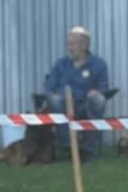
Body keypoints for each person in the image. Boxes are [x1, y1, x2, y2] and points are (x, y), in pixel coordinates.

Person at [43, 26, 111, 159]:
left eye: (72, 44)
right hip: (64, 105)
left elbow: (104, 87)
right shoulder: (61, 64)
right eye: (68, 44)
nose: (69, 48)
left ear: (84, 45)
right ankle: (68, 147)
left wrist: (96, 92)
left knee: (99, 100)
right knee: (53, 100)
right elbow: (49, 87)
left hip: (86, 105)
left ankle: (87, 149)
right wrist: (52, 94)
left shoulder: (99, 64)